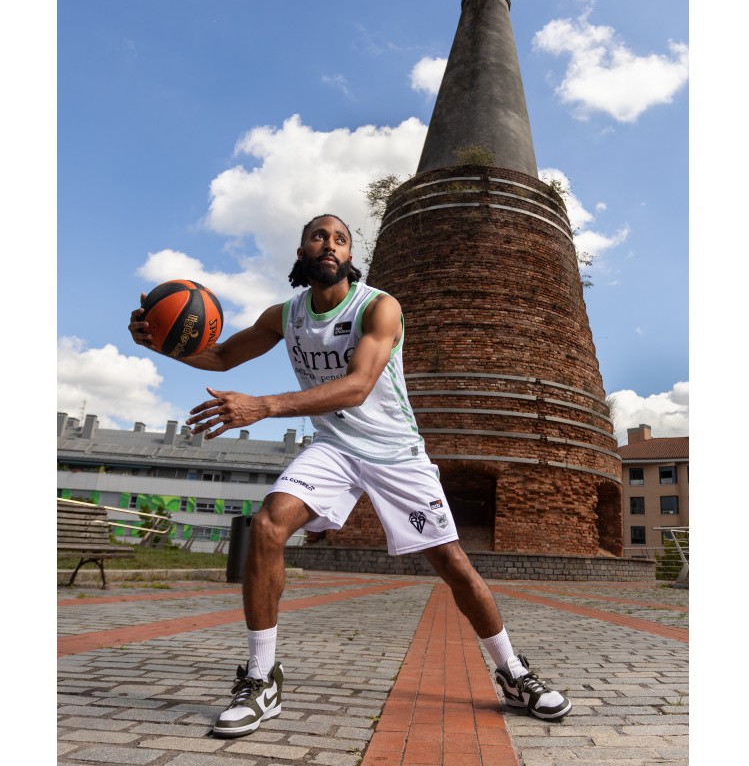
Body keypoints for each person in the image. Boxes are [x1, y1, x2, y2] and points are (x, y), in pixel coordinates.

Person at [128, 213, 572, 737]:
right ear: (302, 252)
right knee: (267, 526)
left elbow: (358, 386)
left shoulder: (378, 308)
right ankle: (261, 678)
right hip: (334, 448)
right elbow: (222, 356)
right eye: (319, 236)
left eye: (340, 239)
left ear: (350, 255)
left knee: (453, 564)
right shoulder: (285, 316)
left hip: (395, 452)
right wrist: (162, 344)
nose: (330, 244)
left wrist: (263, 406)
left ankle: (515, 674)